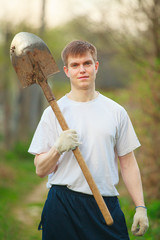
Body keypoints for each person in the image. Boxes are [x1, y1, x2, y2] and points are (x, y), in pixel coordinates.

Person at [28, 40, 149, 240]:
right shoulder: (53, 113)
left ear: (96, 66)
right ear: (66, 71)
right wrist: (57, 148)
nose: (82, 70)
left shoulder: (116, 112)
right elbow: (40, 170)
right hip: (63, 205)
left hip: (105, 204)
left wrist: (141, 207)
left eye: (87, 63)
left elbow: (128, 164)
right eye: (75, 65)